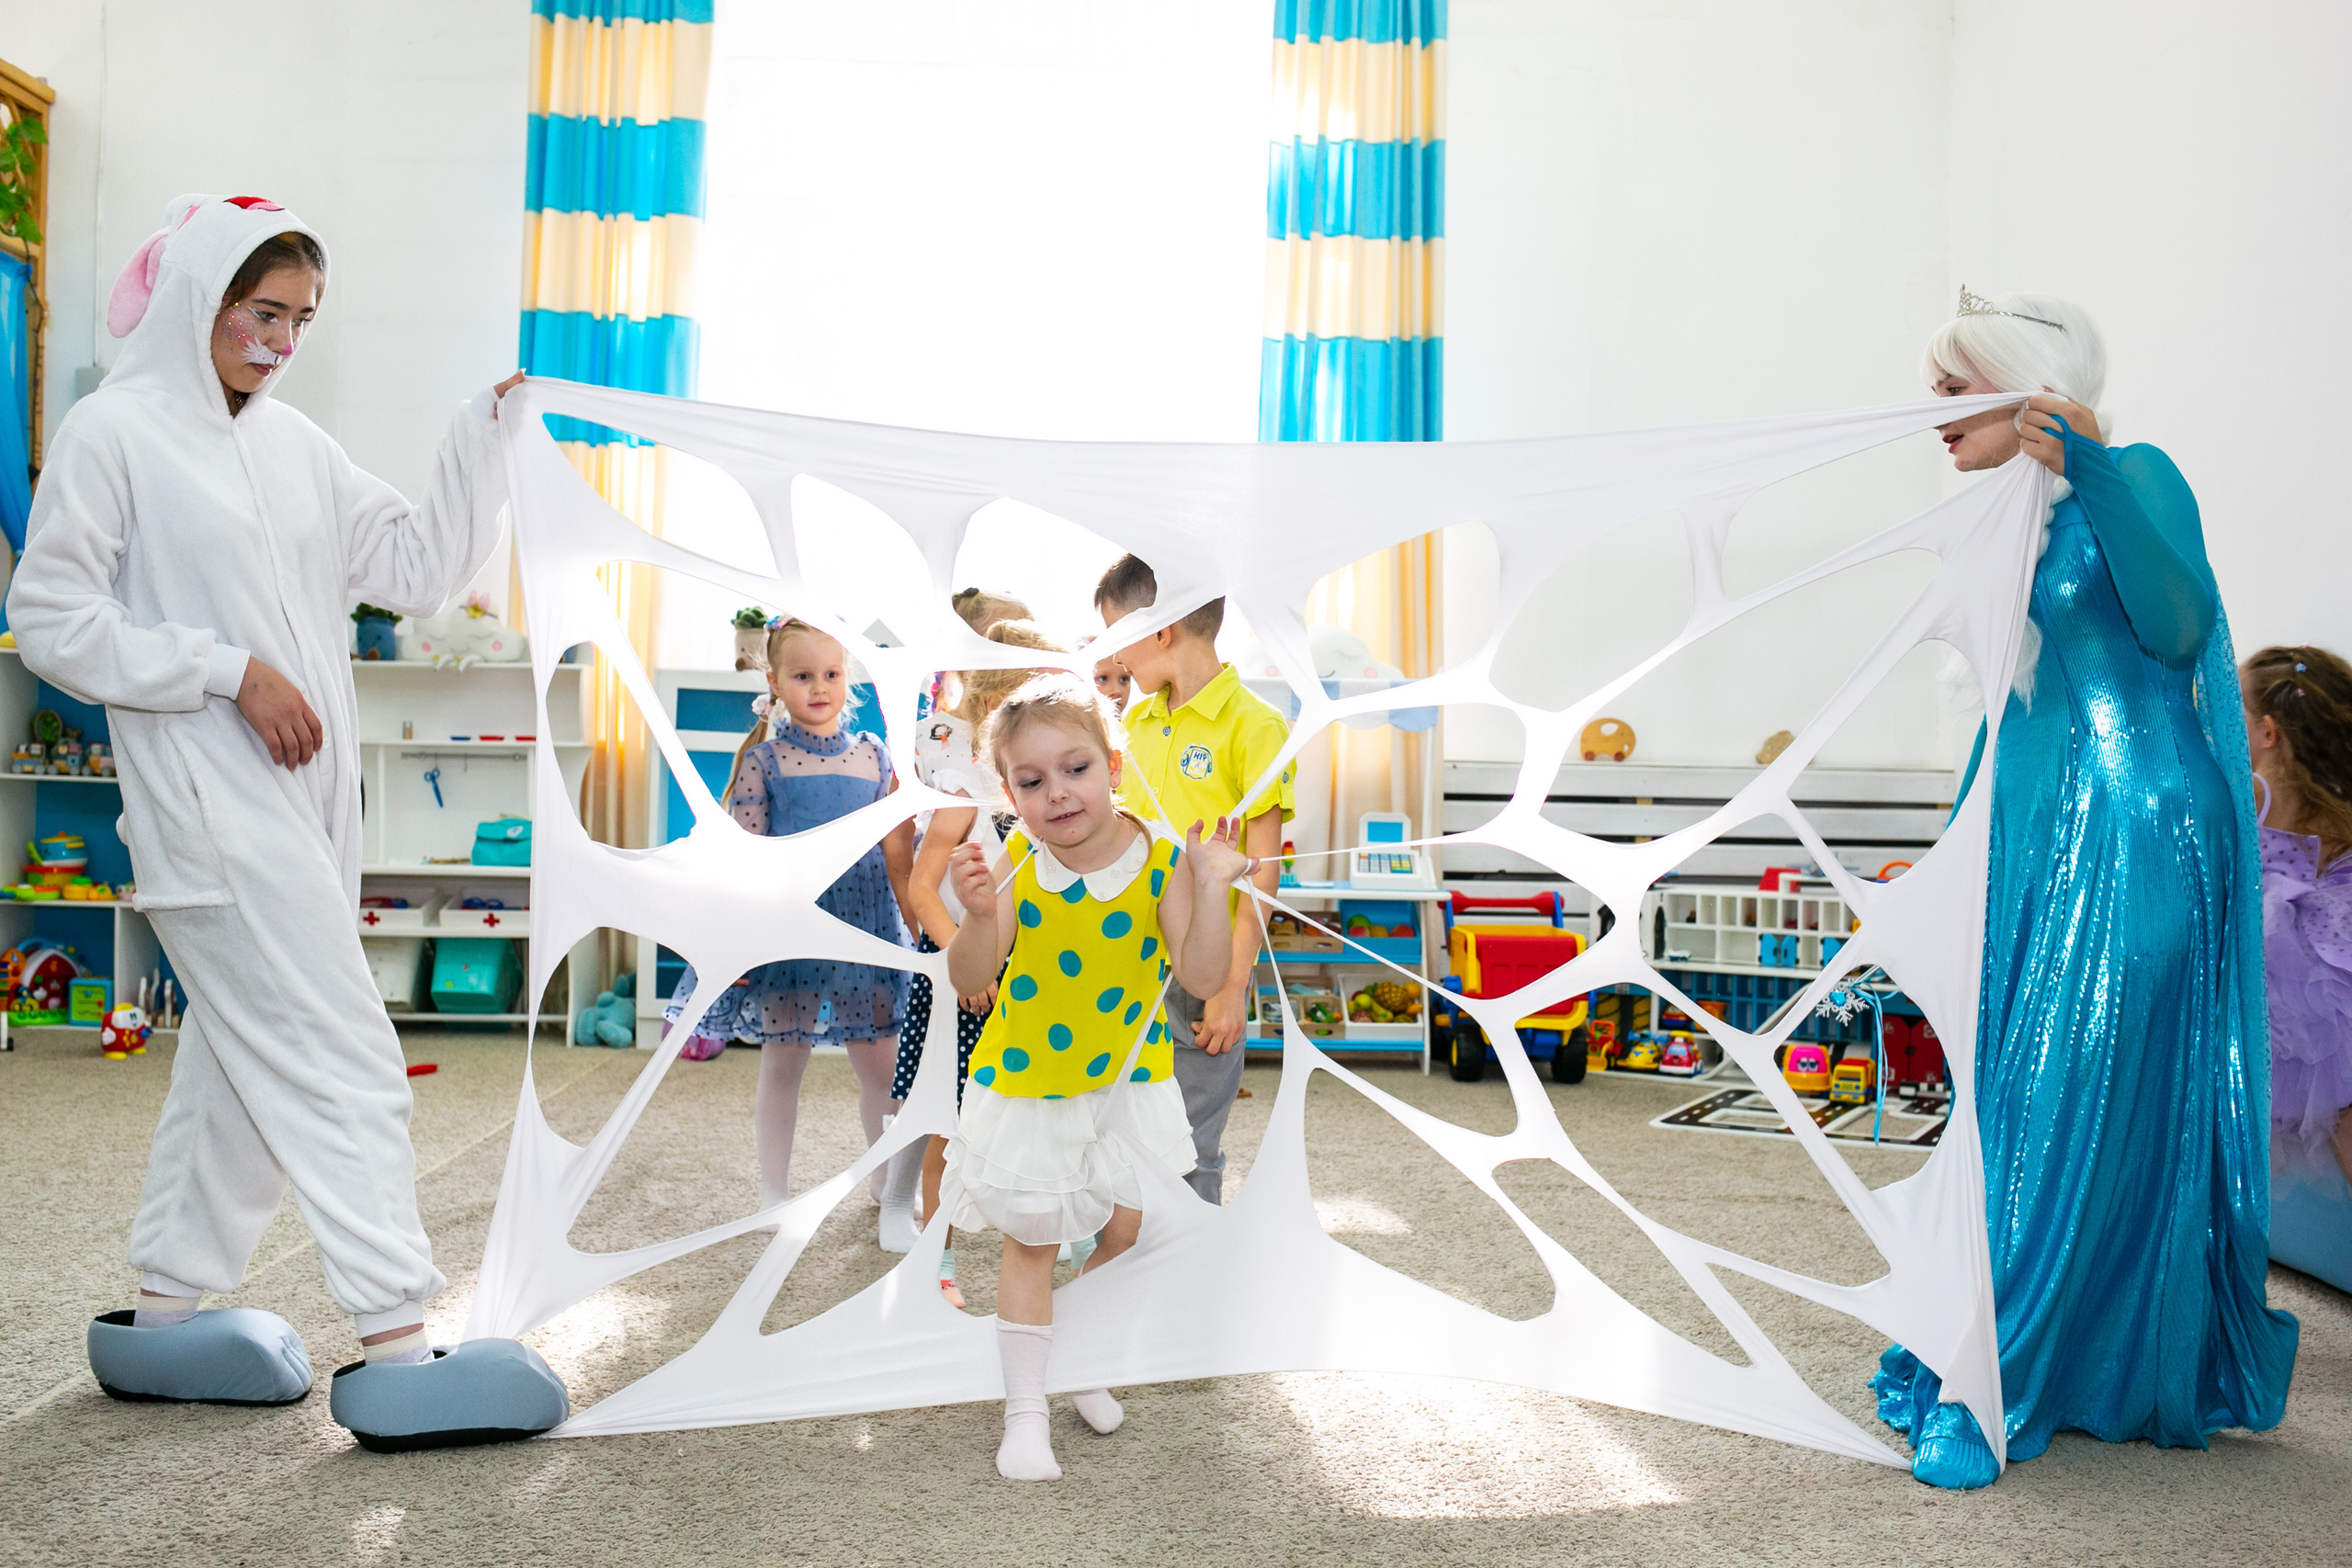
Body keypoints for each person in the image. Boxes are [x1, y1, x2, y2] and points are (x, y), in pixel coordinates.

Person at [9, 192, 567, 1449]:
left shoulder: (295, 444)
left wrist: (480, 437)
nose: (281, 341)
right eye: (264, 312)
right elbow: (49, 617)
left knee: (238, 1066)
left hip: (304, 809)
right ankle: (398, 1341)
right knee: (341, 1053)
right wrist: (227, 668)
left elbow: (416, 570)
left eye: (302, 320)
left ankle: (162, 1317)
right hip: (208, 810)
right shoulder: (114, 433)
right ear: (202, 297)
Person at [1869, 288, 2297, 1487]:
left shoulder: (2135, 473)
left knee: (2074, 1079)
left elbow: (2178, 627)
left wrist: (2095, 463)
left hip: (2143, 826)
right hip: (2041, 834)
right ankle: (2061, 1353)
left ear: (2025, 381)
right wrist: (1950, 847)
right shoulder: (2008, 518)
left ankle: (1994, 1377)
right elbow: (2012, 710)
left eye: (1954, 384)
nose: (1933, 408)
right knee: (2018, 1087)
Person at [935, 672, 1256, 1480]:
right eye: (1031, 781)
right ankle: (1025, 1411)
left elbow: (1201, 972)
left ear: (1114, 765)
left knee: (1130, 1230)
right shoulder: (1017, 859)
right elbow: (970, 975)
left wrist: (1212, 886)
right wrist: (977, 915)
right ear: (1010, 794)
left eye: (1075, 768)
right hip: (1031, 1082)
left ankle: (1077, 1353)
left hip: (1126, 1086)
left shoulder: (1160, 859)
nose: (1057, 793)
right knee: (1033, 1240)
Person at [661, 619, 914, 1212]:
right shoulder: (765, 761)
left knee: (882, 1071)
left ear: (847, 678)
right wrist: (740, 942)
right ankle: (773, 1193)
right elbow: (747, 860)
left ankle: (886, 1184)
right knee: (783, 1065)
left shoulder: (874, 755)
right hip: (792, 935)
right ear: (775, 682)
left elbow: (900, 847)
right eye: (802, 676)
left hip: (866, 929)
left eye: (831, 674)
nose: (819, 687)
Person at [1093, 556, 1293, 1203]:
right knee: (1116, 1129)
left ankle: (1193, 1259)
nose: (1113, 654)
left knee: (1190, 1143)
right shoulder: (1133, 726)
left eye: (1118, 634)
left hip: (1203, 971)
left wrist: (1233, 985)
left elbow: (1264, 872)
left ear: (1162, 631)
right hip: (1128, 959)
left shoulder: (1257, 727)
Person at [888, 619, 1064, 1292]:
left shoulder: (1050, 796)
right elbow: (921, 887)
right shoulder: (967, 794)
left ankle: (1063, 1233)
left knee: (1046, 1115)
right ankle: (939, 1257)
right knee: (951, 1124)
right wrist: (964, 960)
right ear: (994, 709)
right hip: (966, 980)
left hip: (1033, 980)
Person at [2241, 644, 2352, 1293]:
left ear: (2267, 731)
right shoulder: (2330, 802)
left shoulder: (2251, 794)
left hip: (2297, 970)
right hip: (2325, 965)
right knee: (2343, 1115)